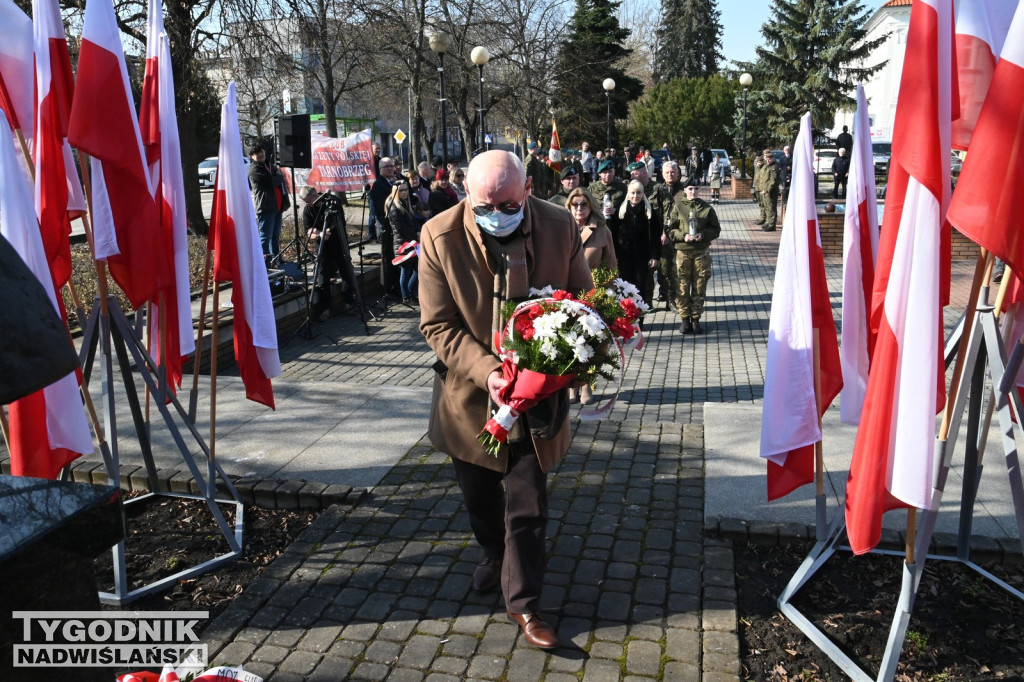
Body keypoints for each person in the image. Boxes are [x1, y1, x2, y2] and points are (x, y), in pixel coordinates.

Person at [418, 150, 593, 650]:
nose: (498, 214)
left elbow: (583, 301)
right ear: (465, 194)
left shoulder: (560, 225)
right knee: (479, 497)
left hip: (537, 398)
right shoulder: (438, 235)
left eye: (510, 205)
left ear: (529, 189)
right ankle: (495, 554)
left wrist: (568, 355)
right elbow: (437, 324)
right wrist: (488, 371)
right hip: (471, 398)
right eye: (485, 206)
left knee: (528, 504)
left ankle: (525, 603)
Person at [564, 186, 615, 405]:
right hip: (567, 294)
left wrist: (609, 293)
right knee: (570, 341)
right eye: (574, 204)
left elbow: (611, 264)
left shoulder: (601, 230)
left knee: (593, 342)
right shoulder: (562, 227)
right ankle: (571, 385)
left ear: (591, 205)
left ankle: (587, 384)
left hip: (594, 294)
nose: (579, 208)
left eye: (583, 204)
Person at [667, 183, 721, 334]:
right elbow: (670, 229)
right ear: (685, 190)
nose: (693, 191)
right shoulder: (678, 207)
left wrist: (703, 235)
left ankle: (696, 319)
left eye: (696, 189)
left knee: (699, 285)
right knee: (682, 285)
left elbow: (716, 229)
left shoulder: (706, 208)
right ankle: (685, 319)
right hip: (683, 252)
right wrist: (683, 236)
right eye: (690, 189)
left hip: (701, 252)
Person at [614, 180, 660, 312]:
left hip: (642, 257)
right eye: (633, 193)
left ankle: (639, 316)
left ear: (643, 194)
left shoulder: (649, 212)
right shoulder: (620, 212)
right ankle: (625, 315)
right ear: (628, 194)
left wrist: (655, 256)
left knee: (640, 287)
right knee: (624, 286)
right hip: (624, 257)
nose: (635, 196)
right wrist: (614, 255)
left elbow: (656, 236)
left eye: (638, 193)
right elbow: (613, 234)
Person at [247, 143, 290, 264]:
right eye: (257, 153)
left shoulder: (271, 166)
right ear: (252, 156)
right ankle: (264, 262)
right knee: (266, 237)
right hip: (265, 208)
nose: (260, 154)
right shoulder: (254, 170)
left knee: (275, 236)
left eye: (261, 151)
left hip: (277, 206)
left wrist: (285, 201)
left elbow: (281, 183)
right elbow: (271, 182)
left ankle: (277, 259)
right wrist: (279, 176)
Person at [658, 161, 686, 308]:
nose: (670, 175)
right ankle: (665, 293)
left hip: (680, 235)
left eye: (673, 172)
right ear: (663, 174)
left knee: (678, 267)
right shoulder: (658, 190)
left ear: (678, 173)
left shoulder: (684, 190)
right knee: (664, 267)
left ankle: (676, 297)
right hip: (663, 235)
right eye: (667, 172)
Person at [386, 182, 420, 304]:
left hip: (410, 242)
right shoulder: (394, 206)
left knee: (417, 269)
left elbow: (412, 222)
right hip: (402, 243)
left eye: (406, 190)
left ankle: (410, 294)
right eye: (401, 190)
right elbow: (401, 228)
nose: (405, 192)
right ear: (396, 192)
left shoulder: (405, 203)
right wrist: (415, 235)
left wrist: (417, 231)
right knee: (405, 271)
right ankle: (406, 297)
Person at [588, 159, 627, 239]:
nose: (608, 174)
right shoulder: (592, 188)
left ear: (614, 172)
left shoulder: (622, 187)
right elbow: (588, 207)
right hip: (598, 225)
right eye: (605, 172)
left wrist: (616, 211)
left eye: (610, 171)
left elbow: (627, 206)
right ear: (599, 174)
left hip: (617, 225)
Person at [753, 149, 779, 231]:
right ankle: (768, 222)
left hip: (771, 191)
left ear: (773, 158)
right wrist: (762, 189)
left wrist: (767, 190)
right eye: (766, 158)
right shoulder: (767, 165)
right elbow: (763, 178)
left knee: (771, 208)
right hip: (764, 190)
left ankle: (772, 225)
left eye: (769, 158)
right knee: (767, 207)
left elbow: (773, 181)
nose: (768, 160)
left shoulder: (774, 167)